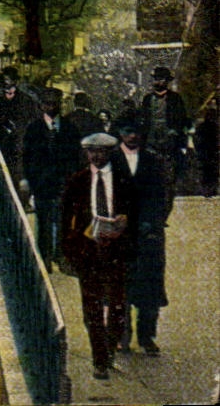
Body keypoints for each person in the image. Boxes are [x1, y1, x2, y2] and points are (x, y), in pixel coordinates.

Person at [61, 132, 139, 381]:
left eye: (101, 152)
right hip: (88, 253)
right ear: (86, 154)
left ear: (109, 153)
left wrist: (125, 221)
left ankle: (110, 346)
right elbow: (64, 219)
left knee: (117, 306)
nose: (96, 156)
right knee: (92, 308)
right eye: (92, 152)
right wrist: (69, 251)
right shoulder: (78, 181)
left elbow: (137, 212)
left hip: (117, 252)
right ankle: (100, 359)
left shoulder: (124, 180)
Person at [115, 120, 168, 357]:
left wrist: (154, 221)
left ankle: (147, 337)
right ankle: (122, 336)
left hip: (149, 234)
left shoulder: (153, 161)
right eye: (128, 131)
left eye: (136, 132)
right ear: (120, 133)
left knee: (149, 287)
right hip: (120, 233)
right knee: (121, 286)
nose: (133, 136)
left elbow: (164, 194)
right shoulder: (111, 161)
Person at [20, 87, 77, 271]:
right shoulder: (34, 128)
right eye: (47, 103)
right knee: (43, 221)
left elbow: (75, 157)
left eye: (54, 103)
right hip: (42, 183)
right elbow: (27, 156)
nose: (51, 107)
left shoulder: (69, 128)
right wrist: (28, 179)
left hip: (63, 182)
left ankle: (61, 257)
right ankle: (44, 258)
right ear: (42, 106)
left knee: (63, 221)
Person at [139, 66, 190, 201]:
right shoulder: (147, 99)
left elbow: (182, 119)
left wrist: (176, 133)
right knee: (151, 173)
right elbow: (143, 119)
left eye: (161, 79)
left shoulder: (175, 98)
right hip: (151, 142)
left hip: (169, 142)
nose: (158, 82)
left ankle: (167, 200)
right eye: (156, 79)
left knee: (168, 175)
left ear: (167, 81)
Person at [0, 69, 41, 179]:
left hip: (18, 148)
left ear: (15, 82)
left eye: (8, 80)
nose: (5, 82)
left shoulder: (26, 100)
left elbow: (33, 122)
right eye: (4, 80)